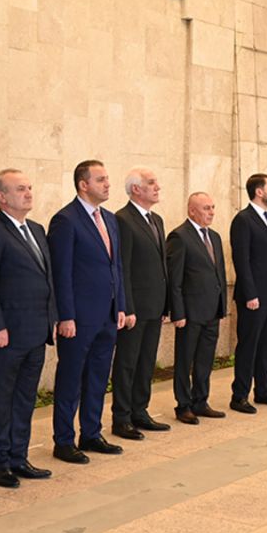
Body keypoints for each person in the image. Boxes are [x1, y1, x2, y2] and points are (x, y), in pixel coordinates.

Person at [0, 169, 58, 488]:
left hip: (36, 332)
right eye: (20, 188)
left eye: (29, 187)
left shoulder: (36, 229)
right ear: (1, 196)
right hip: (5, 335)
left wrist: (52, 319)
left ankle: (19, 456)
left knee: (24, 399)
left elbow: (47, 279)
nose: (28, 193)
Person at [48, 159, 129, 459]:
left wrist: (120, 305)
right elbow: (61, 273)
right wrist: (65, 316)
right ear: (83, 185)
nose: (108, 184)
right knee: (70, 380)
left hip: (107, 315)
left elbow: (116, 266)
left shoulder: (109, 218)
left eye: (107, 178)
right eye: (101, 179)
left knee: (97, 377)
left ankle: (91, 434)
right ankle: (63, 440)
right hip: (78, 318)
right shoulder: (65, 220)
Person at [112, 169, 170, 436]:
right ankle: (121, 417)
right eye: (151, 183)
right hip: (134, 308)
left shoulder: (156, 219)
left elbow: (161, 265)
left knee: (146, 362)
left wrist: (166, 304)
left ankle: (140, 411)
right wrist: (127, 307)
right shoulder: (123, 219)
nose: (157, 187)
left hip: (155, 305)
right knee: (127, 363)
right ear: (136, 189)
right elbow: (122, 267)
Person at [165, 192, 227, 424]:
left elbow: (219, 274)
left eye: (213, 207)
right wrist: (178, 312)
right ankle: (183, 405)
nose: (211, 212)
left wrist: (222, 305)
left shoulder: (215, 237)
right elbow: (175, 279)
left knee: (205, 359)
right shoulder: (179, 237)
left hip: (212, 310)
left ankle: (200, 401)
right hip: (190, 312)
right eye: (206, 208)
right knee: (185, 360)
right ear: (192, 211)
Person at [229, 173, 267, 414]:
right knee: (249, 346)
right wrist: (250, 294)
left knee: (266, 346)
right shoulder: (243, 219)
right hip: (253, 297)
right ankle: (240, 395)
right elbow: (241, 260)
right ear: (259, 192)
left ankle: (263, 390)